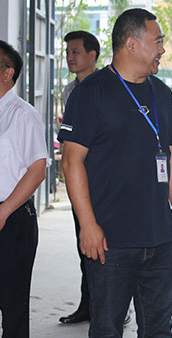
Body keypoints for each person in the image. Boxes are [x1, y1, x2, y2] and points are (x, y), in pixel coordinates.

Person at [59, 8, 172, 337]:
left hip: (160, 238)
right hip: (110, 240)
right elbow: (71, 162)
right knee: (107, 329)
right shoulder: (92, 92)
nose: (162, 49)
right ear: (131, 44)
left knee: (159, 329)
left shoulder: (162, 93)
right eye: (157, 41)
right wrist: (87, 226)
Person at [0, 40, 48, 338]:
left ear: (7, 73)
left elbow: (37, 170)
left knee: (12, 309)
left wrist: (0, 215)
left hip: (8, 221)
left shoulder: (22, 115)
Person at [59, 30, 100, 325]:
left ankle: (114, 307)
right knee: (84, 245)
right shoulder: (69, 91)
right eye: (68, 53)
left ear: (92, 55)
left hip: (104, 182)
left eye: (75, 52)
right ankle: (88, 304)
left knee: (109, 250)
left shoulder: (107, 88)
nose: (70, 58)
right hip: (80, 180)